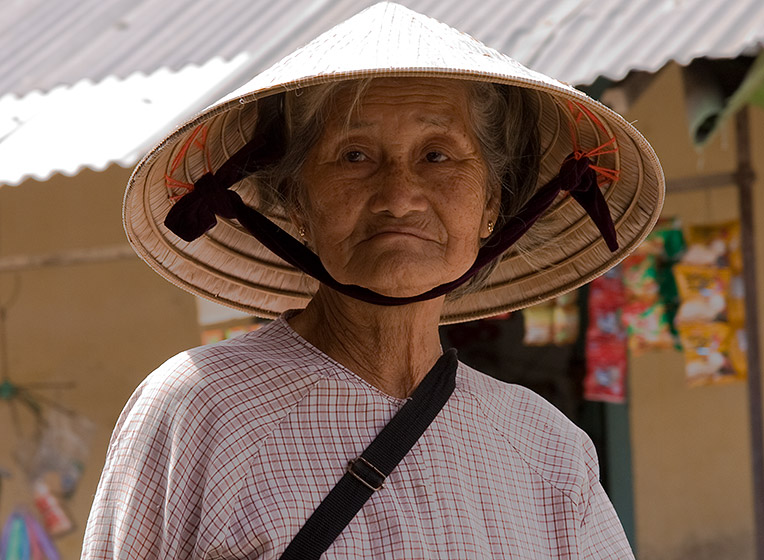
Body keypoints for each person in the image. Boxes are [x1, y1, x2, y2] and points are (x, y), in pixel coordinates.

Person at [83, 3, 663, 559]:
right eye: (354, 155)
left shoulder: (549, 453)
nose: (399, 197)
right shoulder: (201, 411)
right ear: (295, 204)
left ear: (491, 205)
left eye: (438, 156)